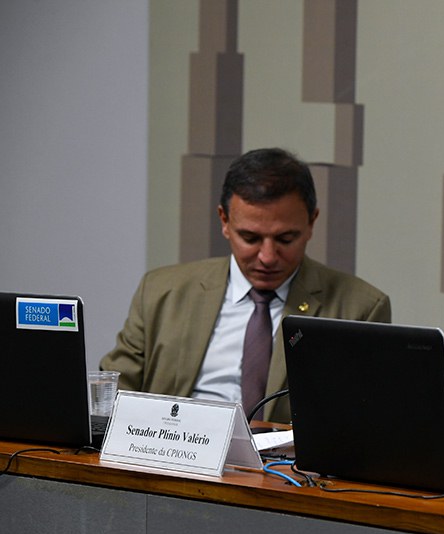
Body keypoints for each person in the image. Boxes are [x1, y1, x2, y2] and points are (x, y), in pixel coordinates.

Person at [101, 148, 391, 422]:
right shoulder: (161, 292)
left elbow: (365, 423)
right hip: (174, 459)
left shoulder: (360, 309)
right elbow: (111, 395)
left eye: (285, 239)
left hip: (286, 471)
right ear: (224, 221)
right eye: (250, 238)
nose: (267, 257)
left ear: (312, 223)